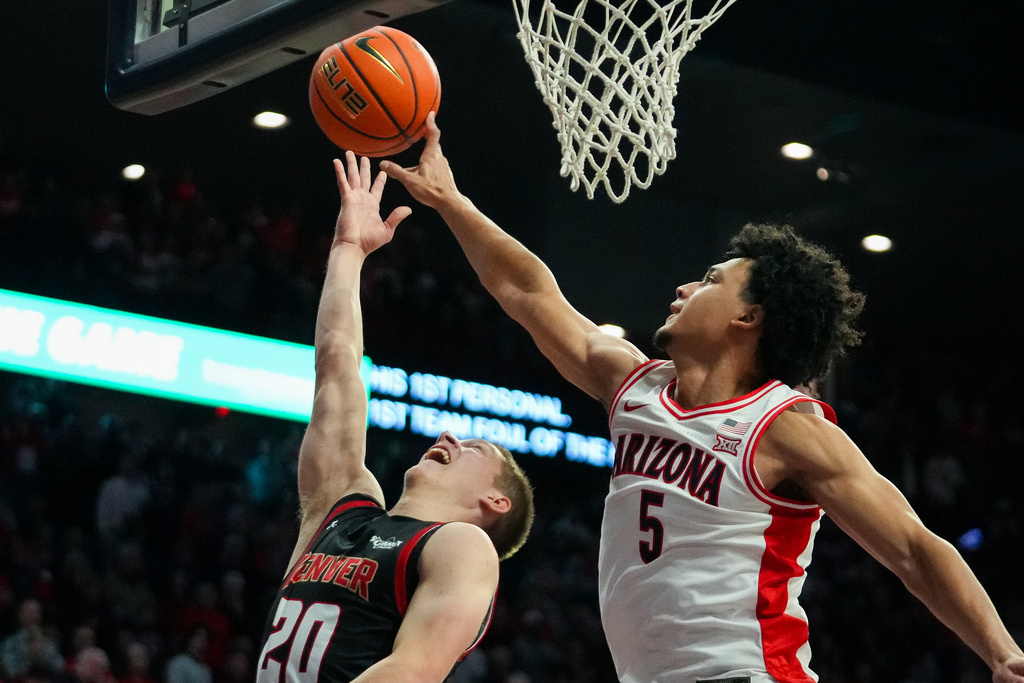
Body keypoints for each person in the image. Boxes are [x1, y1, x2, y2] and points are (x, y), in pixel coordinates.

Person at [381, 113, 1024, 683]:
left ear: (750, 318)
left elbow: (913, 546)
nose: (687, 285)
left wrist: (1001, 653)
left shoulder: (784, 427)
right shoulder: (633, 386)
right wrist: (450, 201)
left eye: (713, 280)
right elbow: (529, 294)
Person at [255, 153, 534, 683]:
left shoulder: (461, 546)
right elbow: (336, 367)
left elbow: (413, 670)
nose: (450, 435)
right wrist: (347, 252)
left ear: (495, 502)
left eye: (476, 448)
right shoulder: (339, 512)